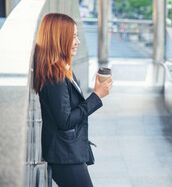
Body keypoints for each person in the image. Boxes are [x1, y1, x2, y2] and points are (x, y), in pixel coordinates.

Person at [33, 13, 113, 187]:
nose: (77, 42)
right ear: (58, 38)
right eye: (73, 37)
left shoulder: (60, 70)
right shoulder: (56, 75)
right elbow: (65, 121)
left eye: (77, 36)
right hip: (65, 155)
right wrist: (97, 96)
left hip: (68, 152)